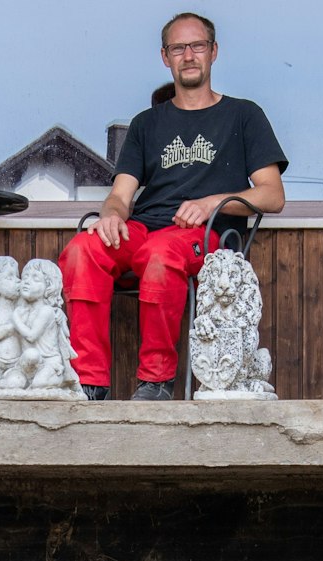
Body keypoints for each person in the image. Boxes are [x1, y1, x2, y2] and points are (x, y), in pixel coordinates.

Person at [59, 12, 287, 400]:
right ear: (165, 57)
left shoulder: (244, 115)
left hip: (209, 235)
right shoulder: (147, 123)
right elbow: (121, 193)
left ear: (213, 52)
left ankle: (156, 382)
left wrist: (210, 202)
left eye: (197, 46)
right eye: (178, 48)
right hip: (147, 228)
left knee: (160, 254)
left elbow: (272, 195)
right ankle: (89, 382)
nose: (189, 55)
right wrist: (112, 213)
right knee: (82, 250)